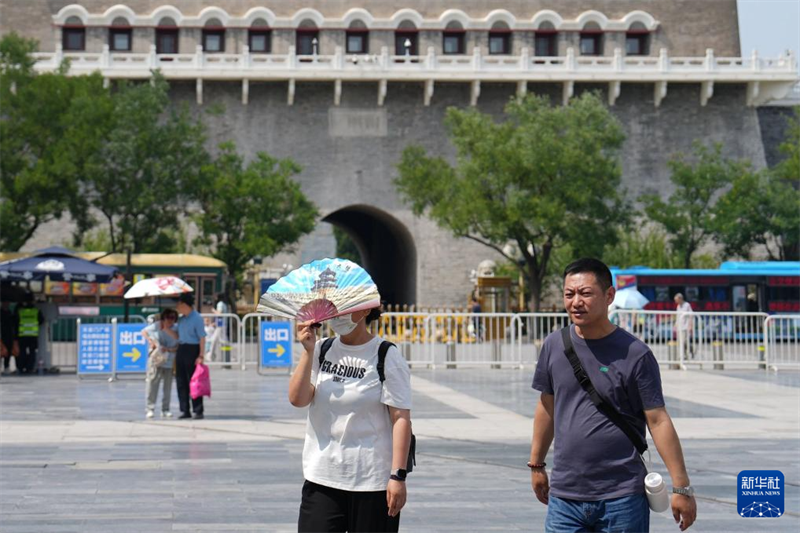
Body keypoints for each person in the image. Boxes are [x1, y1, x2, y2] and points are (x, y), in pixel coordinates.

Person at [530, 258, 696, 532]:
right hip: (565, 497)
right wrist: (536, 464)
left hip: (622, 496)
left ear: (609, 296)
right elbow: (546, 406)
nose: (575, 302)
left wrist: (681, 486)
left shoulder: (635, 354)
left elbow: (657, 420)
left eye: (585, 293)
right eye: (569, 294)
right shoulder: (554, 345)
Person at [290, 305, 412, 533]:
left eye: (345, 308)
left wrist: (398, 476)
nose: (338, 315)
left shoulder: (385, 355)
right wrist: (307, 351)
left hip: (371, 481)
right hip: (323, 476)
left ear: (365, 310)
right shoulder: (321, 349)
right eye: (333, 309)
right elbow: (298, 399)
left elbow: (401, 418)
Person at [142, 308, 179, 419]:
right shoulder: (157, 325)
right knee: (152, 383)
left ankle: (165, 409)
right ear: (163, 317)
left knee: (167, 386)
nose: (170, 320)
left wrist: (167, 331)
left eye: (173, 318)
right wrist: (150, 341)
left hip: (169, 359)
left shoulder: (176, 328)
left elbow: (177, 340)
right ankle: (150, 408)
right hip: (156, 360)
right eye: (168, 317)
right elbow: (144, 331)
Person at [175, 293, 206, 420]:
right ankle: (185, 410)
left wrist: (201, 355)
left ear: (184, 305)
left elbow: (202, 337)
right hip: (181, 349)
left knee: (195, 381)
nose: (177, 307)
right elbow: (178, 336)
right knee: (181, 381)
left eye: (179, 304)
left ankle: (198, 410)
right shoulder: (181, 319)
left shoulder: (197, 318)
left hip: (193, 350)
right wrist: (165, 328)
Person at [14, 295, 44, 375]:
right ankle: (29, 368)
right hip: (32, 335)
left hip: (22, 335)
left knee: (22, 352)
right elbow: (41, 321)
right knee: (32, 352)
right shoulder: (36, 311)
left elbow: (16, 322)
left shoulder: (20, 311)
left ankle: (21, 367)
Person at [674, 293, 695, 359]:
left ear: (680, 299)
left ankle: (691, 352)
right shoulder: (678, 306)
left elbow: (691, 315)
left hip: (686, 327)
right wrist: (675, 324)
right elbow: (678, 316)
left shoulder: (687, 305)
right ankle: (683, 355)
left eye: (676, 300)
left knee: (685, 341)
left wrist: (690, 325)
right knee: (680, 342)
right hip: (680, 327)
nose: (676, 302)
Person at [0, 300, 16, 375]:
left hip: (9, 335)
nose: (7, 304)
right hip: (2, 334)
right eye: (5, 303)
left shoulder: (10, 312)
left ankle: (6, 366)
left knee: (8, 351)